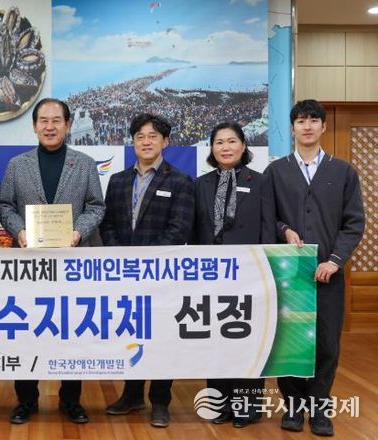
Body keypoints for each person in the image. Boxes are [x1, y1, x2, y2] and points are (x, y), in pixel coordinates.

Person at [0, 97, 105, 424]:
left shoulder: (85, 164)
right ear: (34, 126)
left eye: (56, 120)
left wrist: (78, 232)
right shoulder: (17, 165)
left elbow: (96, 206)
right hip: (28, 263)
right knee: (26, 329)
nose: (49, 126)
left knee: (72, 331)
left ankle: (71, 400)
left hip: (73, 262)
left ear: (68, 125)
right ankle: (26, 400)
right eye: (43, 121)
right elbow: (5, 206)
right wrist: (19, 232)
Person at [265, 99, 365, 437]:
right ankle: (293, 407)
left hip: (328, 276)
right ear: (292, 128)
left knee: (326, 345)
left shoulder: (343, 172)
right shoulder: (276, 172)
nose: (307, 126)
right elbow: (267, 217)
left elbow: (354, 223)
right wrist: (284, 230)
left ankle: (320, 408)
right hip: (288, 274)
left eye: (313, 120)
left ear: (323, 127)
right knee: (290, 342)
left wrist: (335, 260)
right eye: (300, 120)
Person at [99, 113, 194, 428]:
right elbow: (107, 225)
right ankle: (132, 394)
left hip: (162, 275)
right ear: (133, 142)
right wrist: (121, 256)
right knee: (131, 334)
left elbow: (179, 230)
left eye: (153, 136)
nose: (146, 141)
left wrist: (147, 261)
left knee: (162, 337)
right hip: (124, 273)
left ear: (165, 141)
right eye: (140, 136)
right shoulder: (117, 181)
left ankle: (161, 401)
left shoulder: (180, 181)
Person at [191, 121, 276, 428]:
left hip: (249, 275)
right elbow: (194, 232)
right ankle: (219, 402)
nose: (225, 147)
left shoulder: (261, 181)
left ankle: (247, 406)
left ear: (243, 145)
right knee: (215, 339)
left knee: (248, 339)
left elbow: (268, 227)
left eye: (231, 141)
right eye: (219, 142)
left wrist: (265, 271)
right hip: (210, 275)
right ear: (212, 148)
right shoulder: (201, 184)